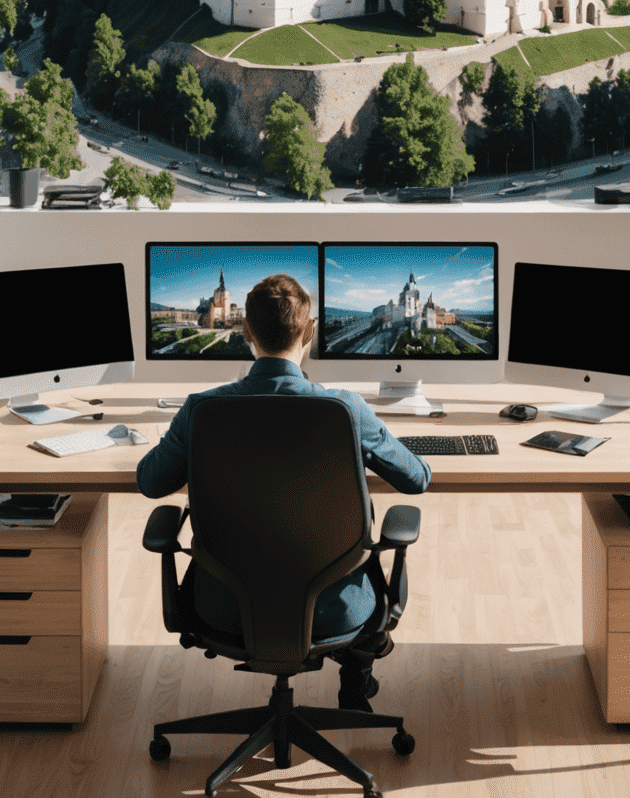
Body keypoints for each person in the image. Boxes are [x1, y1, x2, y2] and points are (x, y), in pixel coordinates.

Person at [136, 273, 430, 710]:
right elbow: (416, 478)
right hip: (336, 607)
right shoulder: (346, 409)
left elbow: (151, 481)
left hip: (223, 605)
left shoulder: (201, 409)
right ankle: (357, 672)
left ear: (245, 332)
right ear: (309, 332)